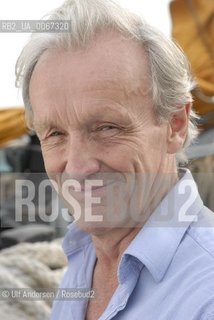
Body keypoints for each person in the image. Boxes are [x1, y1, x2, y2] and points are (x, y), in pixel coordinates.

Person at [16, 0, 214, 319]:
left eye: (107, 128)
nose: (78, 168)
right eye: (54, 134)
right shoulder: (83, 256)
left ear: (175, 124)